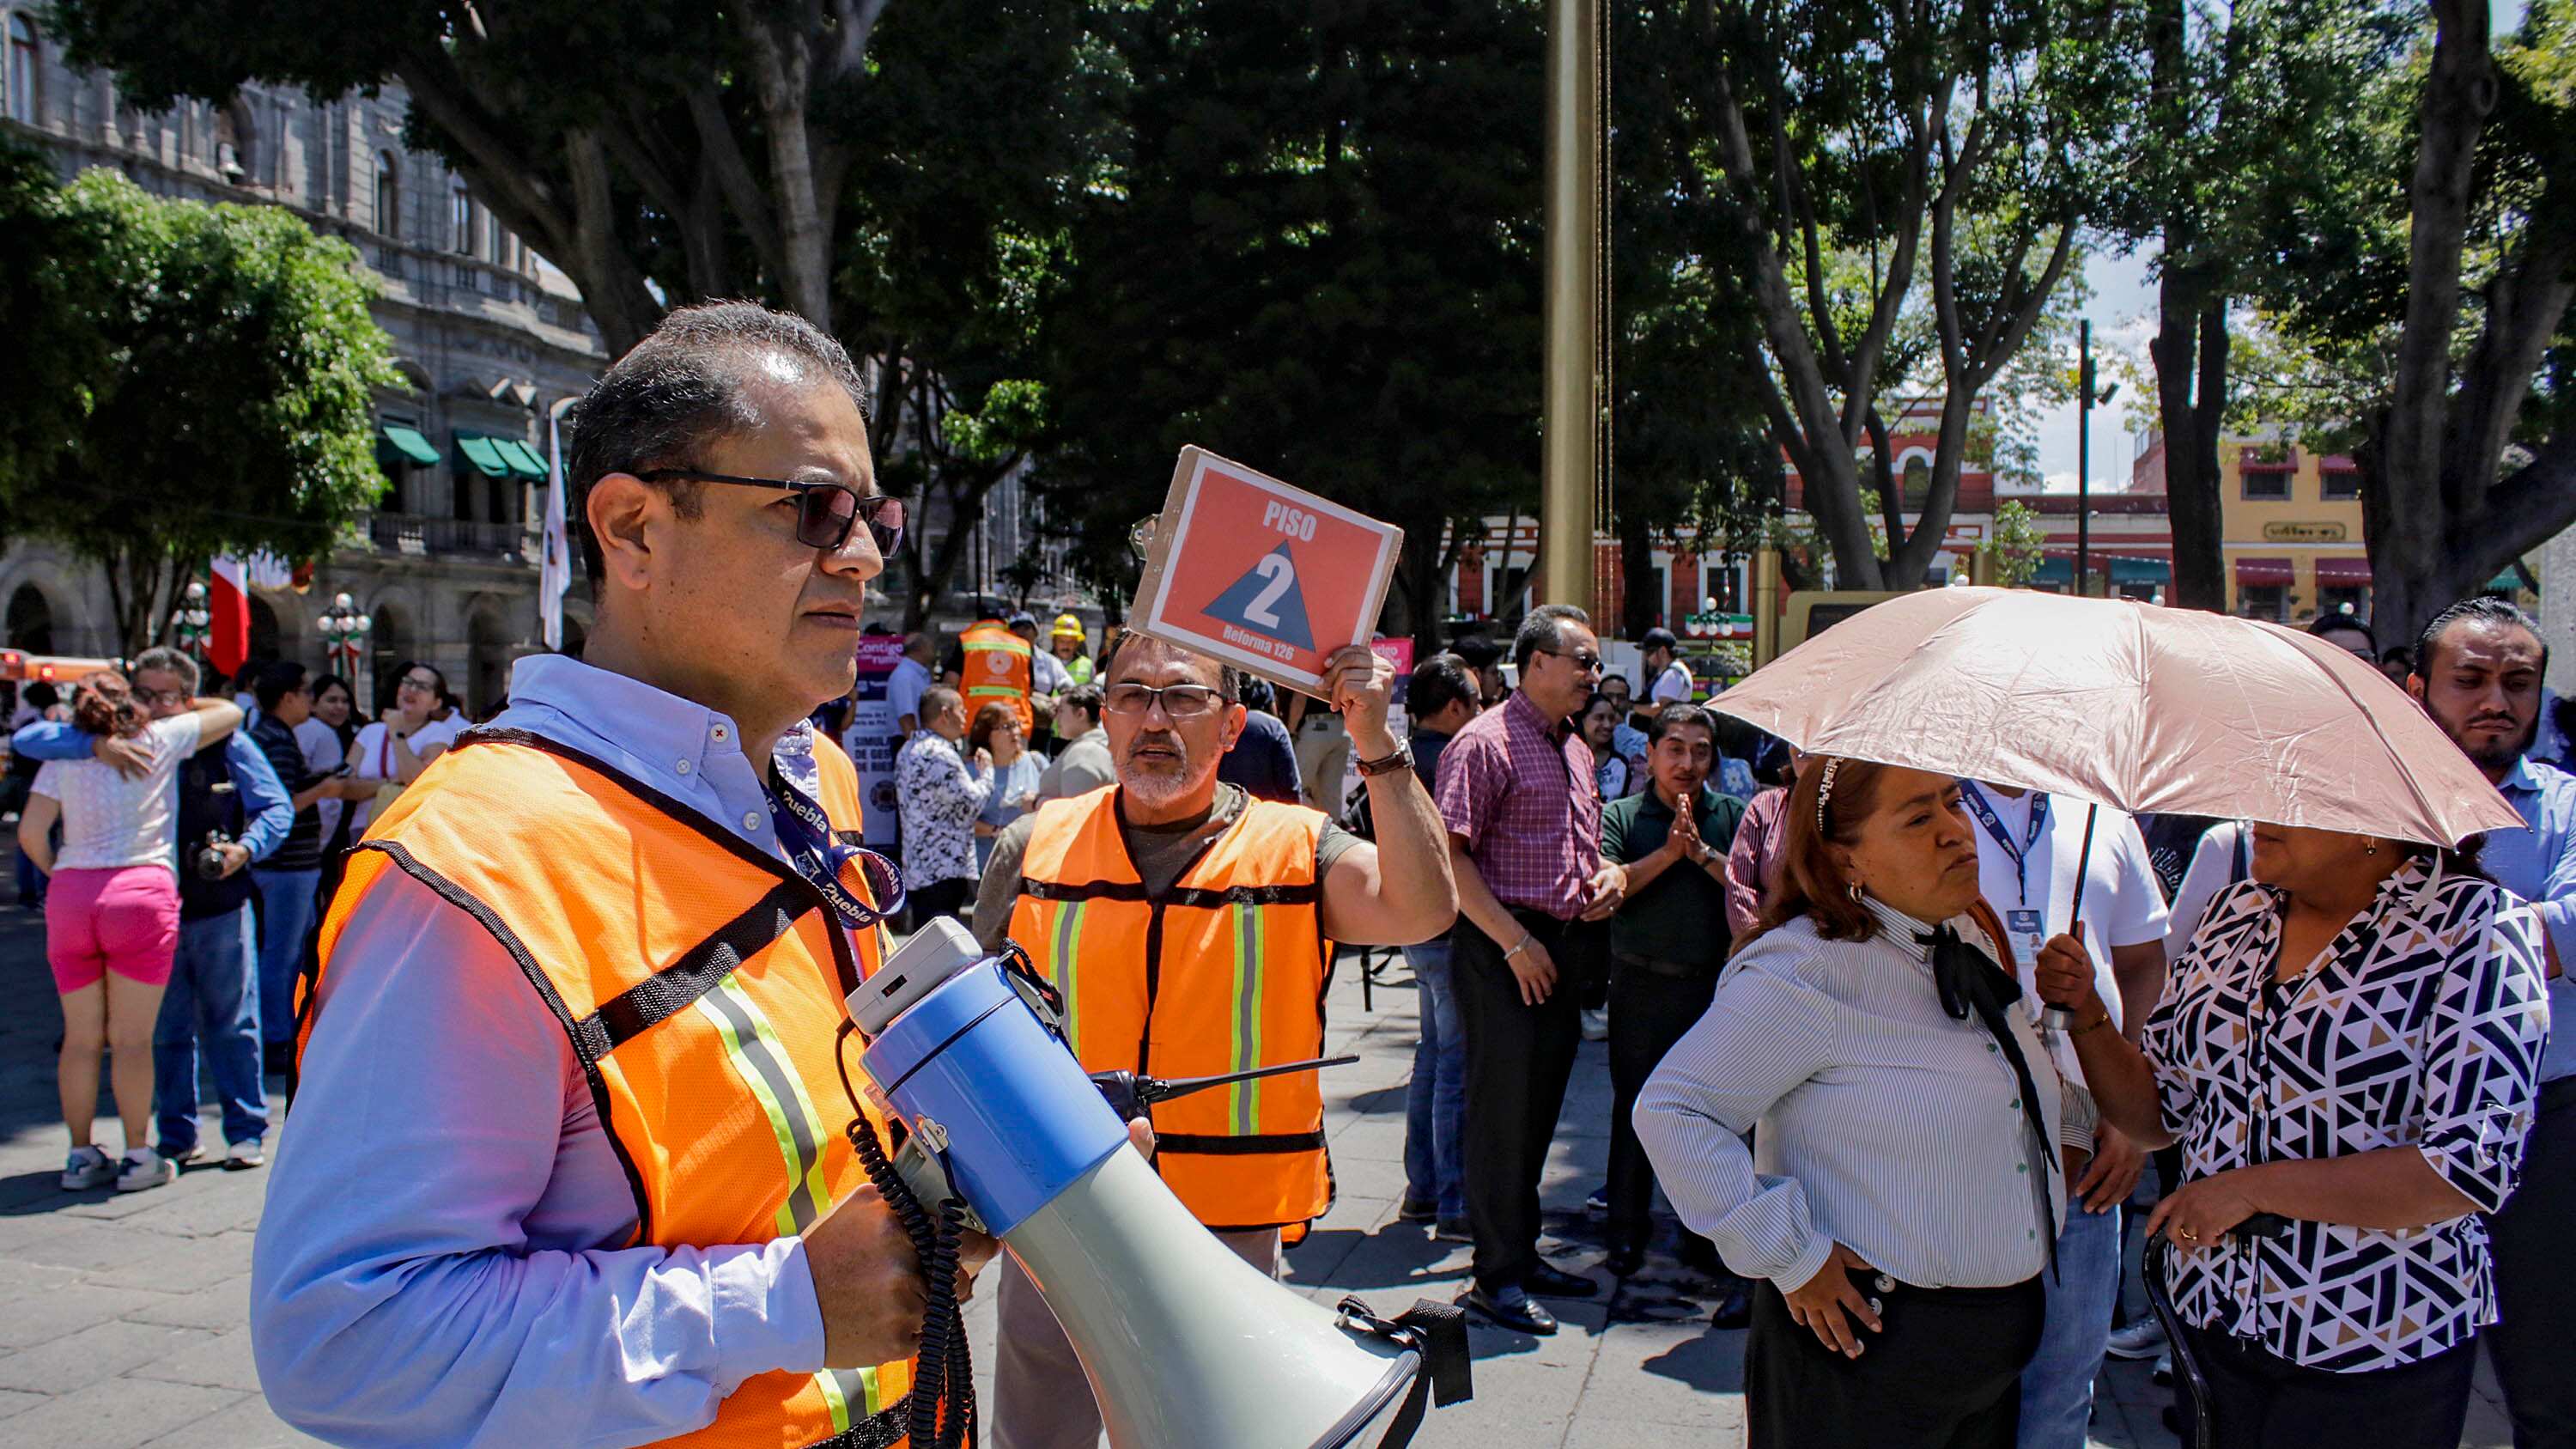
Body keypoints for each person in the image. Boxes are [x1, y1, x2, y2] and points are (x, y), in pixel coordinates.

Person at [252, 301, 981, 1446]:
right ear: (632, 528)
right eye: (813, 508)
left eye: (871, 514)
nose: (866, 554)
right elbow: (345, 1338)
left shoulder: (814, 780)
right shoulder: (474, 862)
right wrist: (780, 1304)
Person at [969, 630, 1456, 1449]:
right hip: (1057, 1207)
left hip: (1224, 1218)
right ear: (1105, 716)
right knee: (1036, 1435)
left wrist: (1377, 740)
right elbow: (972, 1029)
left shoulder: (1299, 848)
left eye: (1184, 697)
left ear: (1232, 726)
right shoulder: (1034, 844)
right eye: (1132, 695)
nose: (1155, 719)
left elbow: (1424, 907)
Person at [2033, 820, 2547, 1449]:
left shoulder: (2478, 929)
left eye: (2292, 795)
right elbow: (2158, 1113)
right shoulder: (2237, 912)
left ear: (2372, 825)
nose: (2259, 816)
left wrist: (2252, 1190)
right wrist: (2087, 1013)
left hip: (2373, 1342)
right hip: (2217, 1321)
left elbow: (2467, 1166)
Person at [1637, 757, 2090, 1449]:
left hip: (1989, 1361)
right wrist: (1790, 1254)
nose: (1955, 831)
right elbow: (1675, 1109)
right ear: (1846, 856)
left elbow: (2002, 1093)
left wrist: (2076, 1123)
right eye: (1917, 817)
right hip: (1867, 1353)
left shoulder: (1964, 941)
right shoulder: (1808, 967)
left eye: (1951, 801)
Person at [2401, 597, 2576, 1448]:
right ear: (2419, 688)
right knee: (2398, 1382)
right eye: (2469, 680)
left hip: (2546, 1132)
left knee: (2549, 1379)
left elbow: (2565, 935)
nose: (2495, 701)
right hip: (2392, 1140)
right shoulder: (2378, 816)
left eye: (2517, 682)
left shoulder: (2569, 808)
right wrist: (2523, 924)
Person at [1953, 781, 2166, 1449]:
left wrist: (2130, 1110)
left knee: (2062, 1392)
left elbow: (2142, 964)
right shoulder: (1931, 806)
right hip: (1956, 1161)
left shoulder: (2104, 815)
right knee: (1955, 1392)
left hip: (2087, 1167)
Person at [1437, 603, 1628, 1335]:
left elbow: (1577, 845)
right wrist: (1515, 942)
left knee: (1539, 1109)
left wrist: (1605, 876)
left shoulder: (1574, 746)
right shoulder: (1484, 743)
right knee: (1500, 1114)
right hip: (1502, 948)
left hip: (1562, 944)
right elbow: (1449, 859)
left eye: (1594, 660)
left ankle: (1520, 1252)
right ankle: (1495, 1275)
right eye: (1582, 659)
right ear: (1536, 663)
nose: (1593, 673)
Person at [19, 668, 247, 1193]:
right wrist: (183, 701)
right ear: (135, 702)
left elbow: (32, 833)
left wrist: (60, 872)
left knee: (80, 1039)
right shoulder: (159, 739)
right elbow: (233, 712)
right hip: (141, 891)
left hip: (74, 892)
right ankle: (139, 1155)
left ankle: (79, 1156)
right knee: (132, 1041)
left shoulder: (65, 755)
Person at [1598, 703, 1750, 1322]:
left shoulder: (1734, 815)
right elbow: (1604, 884)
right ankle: (1626, 1228)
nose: (1687, 763)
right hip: (1640, 983)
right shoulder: (1623, 814)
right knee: (1635, 1108)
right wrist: (1667, 854)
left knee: (1711, 1118)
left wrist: (1702, 854)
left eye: (1700, 751)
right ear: (1651, 754)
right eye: (1675, 749)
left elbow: (1754, 889)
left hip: (1712, 988)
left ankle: (1703, 1229)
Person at [242, 661, 371, 1069]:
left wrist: (321, 779)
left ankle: (275, 1030)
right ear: (288, 698)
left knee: (279, 949)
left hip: (280, 863)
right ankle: (276, 1035)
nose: (310, 703)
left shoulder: (273, 735)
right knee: (281, 953)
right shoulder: (277, 740)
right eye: (305, 694)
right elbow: (283, 804)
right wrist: (326, 789)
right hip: (285, 865)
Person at [1397, 653, 1482, 1242]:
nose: (1481, 713)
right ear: (1453, 707)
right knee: (1452, 1062)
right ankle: (1451, 1198)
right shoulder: (1456, 756)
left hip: (1411, 925)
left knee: (1432, 1056)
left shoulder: (1401, 759)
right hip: (1450, 928)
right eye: (1475, 703)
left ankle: (1422, 1189)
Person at [896, 685, 995, 920]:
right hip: (943, 869)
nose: (965, 718)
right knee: (943, 947)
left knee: (930, 944)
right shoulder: (940, 753)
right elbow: (972, 802)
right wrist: (988, 772)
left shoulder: (909, 748)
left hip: (920, 867)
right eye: (962, 711)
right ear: (946, 714)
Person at [346, 661, 465, 837]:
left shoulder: (440, 734)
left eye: (422, 687)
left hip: (410, 833)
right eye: (408, 682)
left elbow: (415, 779)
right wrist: (389, 783)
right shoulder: (370, 732)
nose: (412, 690)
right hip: (364, 829)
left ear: (436, 703)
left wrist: (396, 733)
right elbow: (343, 786)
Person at [969, 700, 1041, 872]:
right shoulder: (972, 770)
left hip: (1027, 864)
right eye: (1006, 727)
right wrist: (997, 831)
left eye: (1016, 724)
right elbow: (959, 821)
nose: (1016, 732)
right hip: (986, 867)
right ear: (987, 734)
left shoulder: (1032, 761)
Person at [301, 673, 360, 861]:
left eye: (345, 701)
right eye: (332, 700)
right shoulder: (310, 732)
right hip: (321, 825)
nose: (339, 707)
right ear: (313, 704)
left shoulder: (355, 735)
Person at [1218, 674, 1304, 803]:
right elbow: (1291, 788)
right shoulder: (1274, 727)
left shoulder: (1216, 724)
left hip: (1223, 812)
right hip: (1265, 815)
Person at [960, 611, 1039, 738]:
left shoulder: (966, 641)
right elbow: (1029, 689)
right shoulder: (1022, 646)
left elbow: (951, 682)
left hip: (975, 723)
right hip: (1015, 724)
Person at [1036, 685, 1114, 803]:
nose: (1056, 718)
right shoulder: (1096, 746)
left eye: (1061, 710)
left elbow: (1077, 811)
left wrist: (1037, 803)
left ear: (1080, 714)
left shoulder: (1084, 754)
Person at [1577, 691, 1634, 801]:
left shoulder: (1620, 764)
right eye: (1600, 718)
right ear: (1583, 719)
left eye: (1611, 718)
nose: (1607, 725)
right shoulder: (1570, 760)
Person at [886, 630, 935, 742]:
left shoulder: (916, 674)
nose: (934, 650)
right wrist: (915, 748)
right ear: (922, 649)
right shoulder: (905, 675)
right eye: (930, 646)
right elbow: (906, 718)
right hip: (908, 741)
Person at [1642, 627, 1692, 707]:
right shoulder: (1668, 672)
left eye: (1649, 652)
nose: (1647, 657)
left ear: (1663, 651)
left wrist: (1632, 707)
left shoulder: (1673, 674)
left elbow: (1662, 708)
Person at [1048, 612, 1094, 687]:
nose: (1066, 645)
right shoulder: (1044, 663)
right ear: (1054, 641)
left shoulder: (1088, 665)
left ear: (1077, 643)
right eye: (1062, 641)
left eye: (1070, 641)